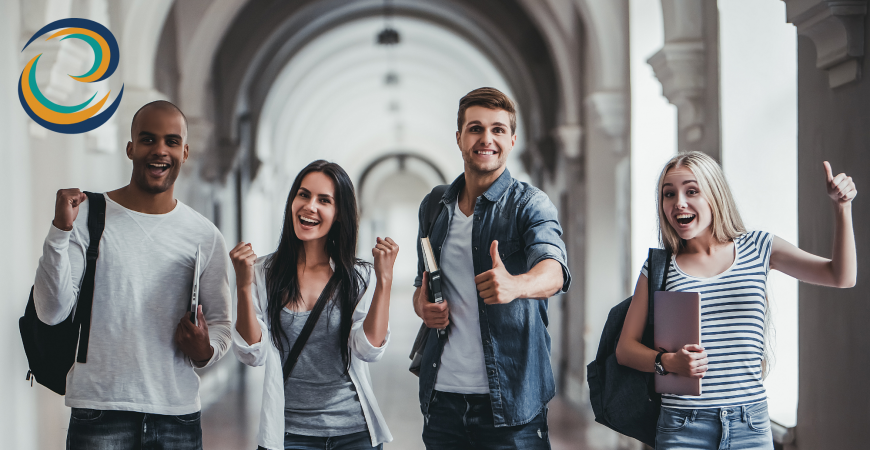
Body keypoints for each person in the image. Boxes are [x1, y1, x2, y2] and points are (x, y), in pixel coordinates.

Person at [615, 151, 858, 449]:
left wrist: (842, 208)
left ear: (715, 195)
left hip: (750, 426)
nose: (678, 202)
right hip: (682, 425)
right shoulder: (659, 267)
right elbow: (625, 350)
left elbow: (841, 276)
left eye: (692, 191)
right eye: (669, 194)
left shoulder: (758, 247)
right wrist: (668, 362)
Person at [33, 100, 233, 449]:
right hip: (99, 410)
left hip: (176, 414)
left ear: (185, 151)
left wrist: (205, 350)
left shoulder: (204, 235)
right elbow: (51, 312)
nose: (160, 150)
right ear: (130, 148)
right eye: (148, 139)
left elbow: (222, 325)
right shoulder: (88, 217)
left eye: (171, 141)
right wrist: (59, 231)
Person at [412, 87, 571, 449]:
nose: (487, 139)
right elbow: (420, 289)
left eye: (498, 129)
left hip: (511, 403)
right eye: (476, 128)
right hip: (443, 400)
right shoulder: (435, 205)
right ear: (459, 138)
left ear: (512, 139)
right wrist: (423, 308)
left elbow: (555, 270)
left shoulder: (530, 204)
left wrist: (517, 285)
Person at [231, 160, 397, 450]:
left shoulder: (359, 277)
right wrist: (243, 286)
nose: (310, 206)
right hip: (290, 434)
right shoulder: (262, 272)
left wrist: (384, 281)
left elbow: (368, 350)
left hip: (355, 433)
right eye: (304, 195)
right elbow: (251, 354)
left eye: (324, 200)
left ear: (339, 214)